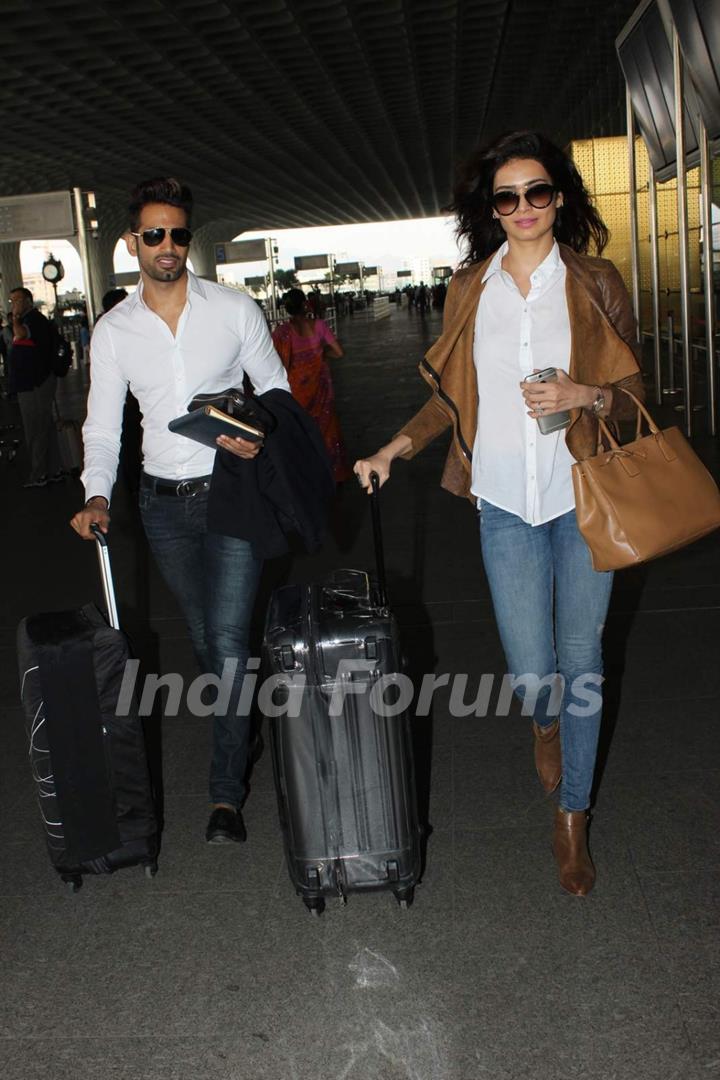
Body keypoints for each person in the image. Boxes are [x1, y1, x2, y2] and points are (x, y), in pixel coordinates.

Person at [354, 131, 644, 896]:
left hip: (584, 499)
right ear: (492, 208)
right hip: (505, 508)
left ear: (560, 199)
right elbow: (451, 397)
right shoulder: (469, 290)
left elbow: (638, 395)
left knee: (583, 663)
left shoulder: (595, 282)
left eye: (538, 193)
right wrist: (394, 448)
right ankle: (543, 721)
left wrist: (586, 395)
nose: (523, 208)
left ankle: (573, 819)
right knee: (531, 671)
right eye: (507, 197)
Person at [70, 177, 290, 845]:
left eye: (179, 234)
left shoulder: (233, 309)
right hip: (162, 506)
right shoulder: (115, 331)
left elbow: (276, 389)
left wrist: (251, 432)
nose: (169, 246)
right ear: (133, 242)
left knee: (225, 643)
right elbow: (103, 427)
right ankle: (241, 728)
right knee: (207, 640)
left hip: (230, 494)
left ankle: (226, 795)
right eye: (155, 234)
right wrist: (96, 492)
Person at [272, 287, 351, 482]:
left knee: (301, 431)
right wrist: (321, 354)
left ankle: (306, 472)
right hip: (321, 388)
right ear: (304, 304)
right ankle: (331, 471)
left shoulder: (283, 333)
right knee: (326, 429)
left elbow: (275, 361)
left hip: (296, 391)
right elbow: (339, 352)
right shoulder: (320, 325)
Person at [8, 287, 63, 487]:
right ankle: (53, 470)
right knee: (45, 427)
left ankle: (39, 474)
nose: (13, 305)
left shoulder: (32, 320)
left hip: (34, 384)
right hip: (36, 382)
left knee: (35, 429)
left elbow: (21, 335)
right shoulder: (35, 320)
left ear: (28, 301)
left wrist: (14, 319)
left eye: (17, 301)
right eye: (11, 301)